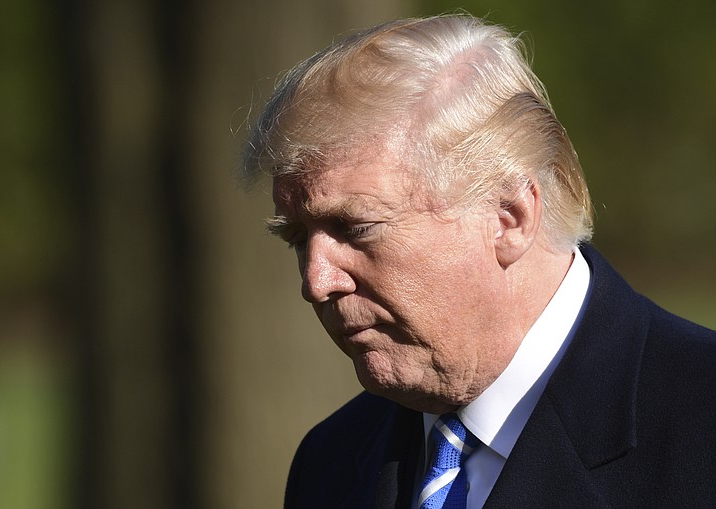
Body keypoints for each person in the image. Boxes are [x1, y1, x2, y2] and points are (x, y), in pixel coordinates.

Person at [240, 14, 716, 509]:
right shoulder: (331, 461)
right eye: (298, 239)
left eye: (356, 228)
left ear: (510, 216)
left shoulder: (701, 429)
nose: (316, 282)